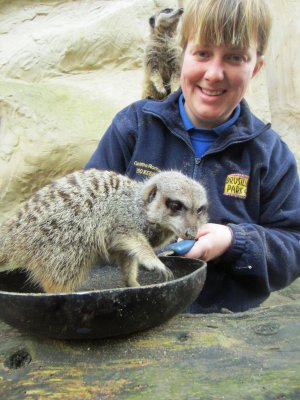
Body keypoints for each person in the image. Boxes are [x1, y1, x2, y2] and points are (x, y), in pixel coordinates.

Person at [85, 0, 300, 313]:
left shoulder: (269, 155)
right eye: (202, 53)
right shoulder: (134, 127)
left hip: (226, 329)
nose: (213, 74)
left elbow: (294, 245)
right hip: (127, 312)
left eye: (235, 57)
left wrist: (234, 241)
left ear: (255, 67)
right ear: (182, 54)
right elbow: (85, 216)